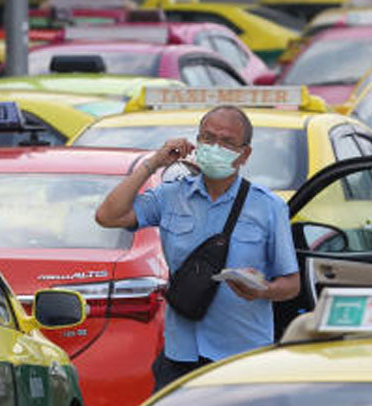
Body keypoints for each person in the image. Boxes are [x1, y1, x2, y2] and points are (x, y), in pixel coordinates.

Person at [96, 105, 300, 389]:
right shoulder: (171, 195)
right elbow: (108, 216)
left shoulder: (269, 207)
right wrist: (153, 163)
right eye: (208, 138)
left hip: (242, 355)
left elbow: (292, 283)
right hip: (182, 354)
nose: (216, 147)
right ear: (197, 142)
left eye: (227, 142)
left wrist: (263, 290)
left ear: (245, 154)